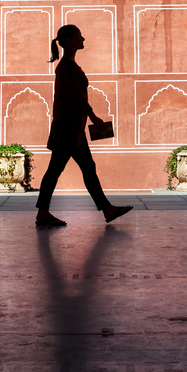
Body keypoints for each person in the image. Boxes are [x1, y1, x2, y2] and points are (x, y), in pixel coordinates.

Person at [35, 24, 132, 227]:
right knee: (57, 170)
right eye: (79, 36)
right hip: (68, 128)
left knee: (85, 168)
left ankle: (107, 209)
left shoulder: (68, 64)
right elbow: (76, 96)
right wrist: (93, 116)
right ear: (70, 40)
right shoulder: (67, 66)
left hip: (74, 128)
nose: (83, 39)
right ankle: (43, 213)